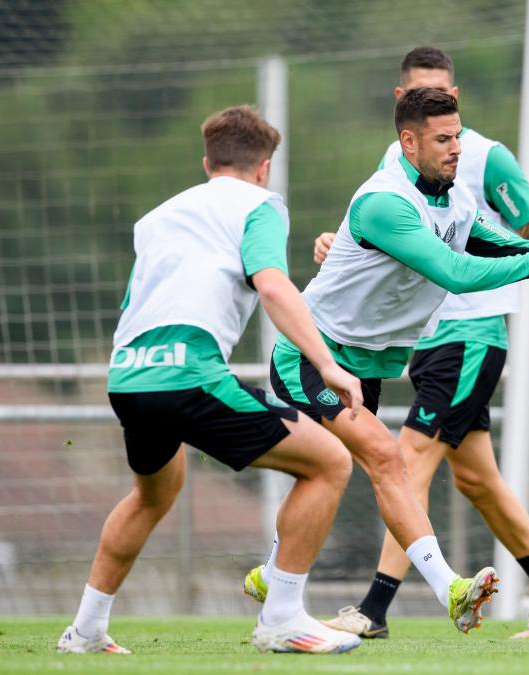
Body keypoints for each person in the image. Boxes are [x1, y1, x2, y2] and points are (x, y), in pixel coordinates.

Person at [243, 87, 529, 635]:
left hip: (370, 365)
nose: (456, 148)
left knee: (339, 473)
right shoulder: (386, 202)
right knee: (388, 459)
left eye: (459, 136)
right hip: (313, 355)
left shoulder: (455, 198)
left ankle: (274, 575)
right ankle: (446, 588)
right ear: (408, 140)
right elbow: (455, 272)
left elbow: (495, 246)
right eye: (443, 139)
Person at [57, 106, 364, 655]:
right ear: (264, 167)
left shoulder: (156, 216)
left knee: (153, 494)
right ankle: (283, 618)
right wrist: (327, 363)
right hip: (190, 374)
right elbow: (272, 286)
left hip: (129, 375)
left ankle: (85, 631)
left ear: (207, 162)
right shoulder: (261, 205)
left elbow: (140, 298)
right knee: (330, 462)